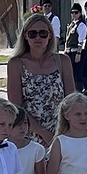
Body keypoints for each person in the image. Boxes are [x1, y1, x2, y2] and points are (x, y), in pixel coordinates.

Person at [7, 13, 74, 147]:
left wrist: (64, 133)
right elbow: (17, 107)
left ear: (50, 35)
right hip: (27, 138)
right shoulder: (16, 64)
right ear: (25, 36)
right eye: (32, 34)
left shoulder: (63, 61)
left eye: (43, 33)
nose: (38, 38)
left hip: (60, 136)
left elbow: (71, 102)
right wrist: (44, 133)